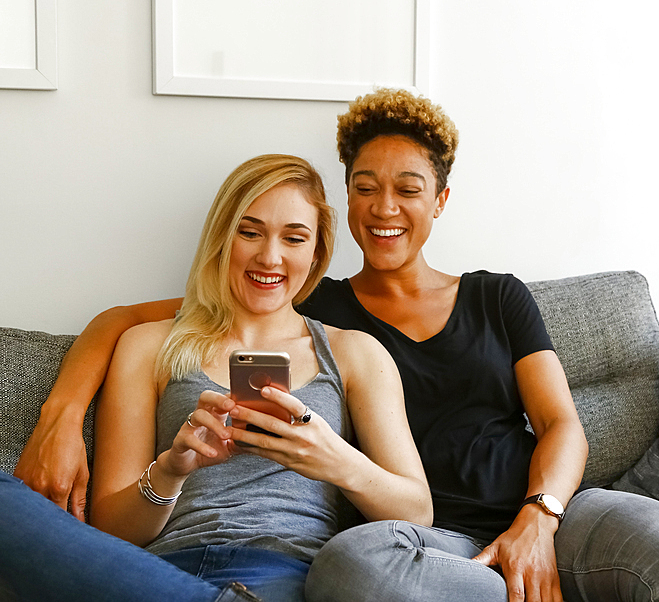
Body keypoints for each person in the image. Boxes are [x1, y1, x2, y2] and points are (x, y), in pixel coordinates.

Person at [16, 93, 659, 602]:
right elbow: (139, 318)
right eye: (366, 186)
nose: (385, 206)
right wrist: (76, 420)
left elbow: (562, 424)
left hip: (549, 520)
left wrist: (540, 515)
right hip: (408, 559)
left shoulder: (493, 296)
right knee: (351, 568)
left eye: (407, 187)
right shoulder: (315, 302)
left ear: (440, 200)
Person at [2, 154, 431, 601]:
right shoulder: (148, 346)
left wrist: (332, 458)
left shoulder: (354, 353)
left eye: (294, 238)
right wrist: (170, 470)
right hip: (152, 577)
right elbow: (114, 531)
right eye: (250, 232)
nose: (270, 256)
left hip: (283, 576)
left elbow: (417, 511)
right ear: (222, 238)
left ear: (317, 251)